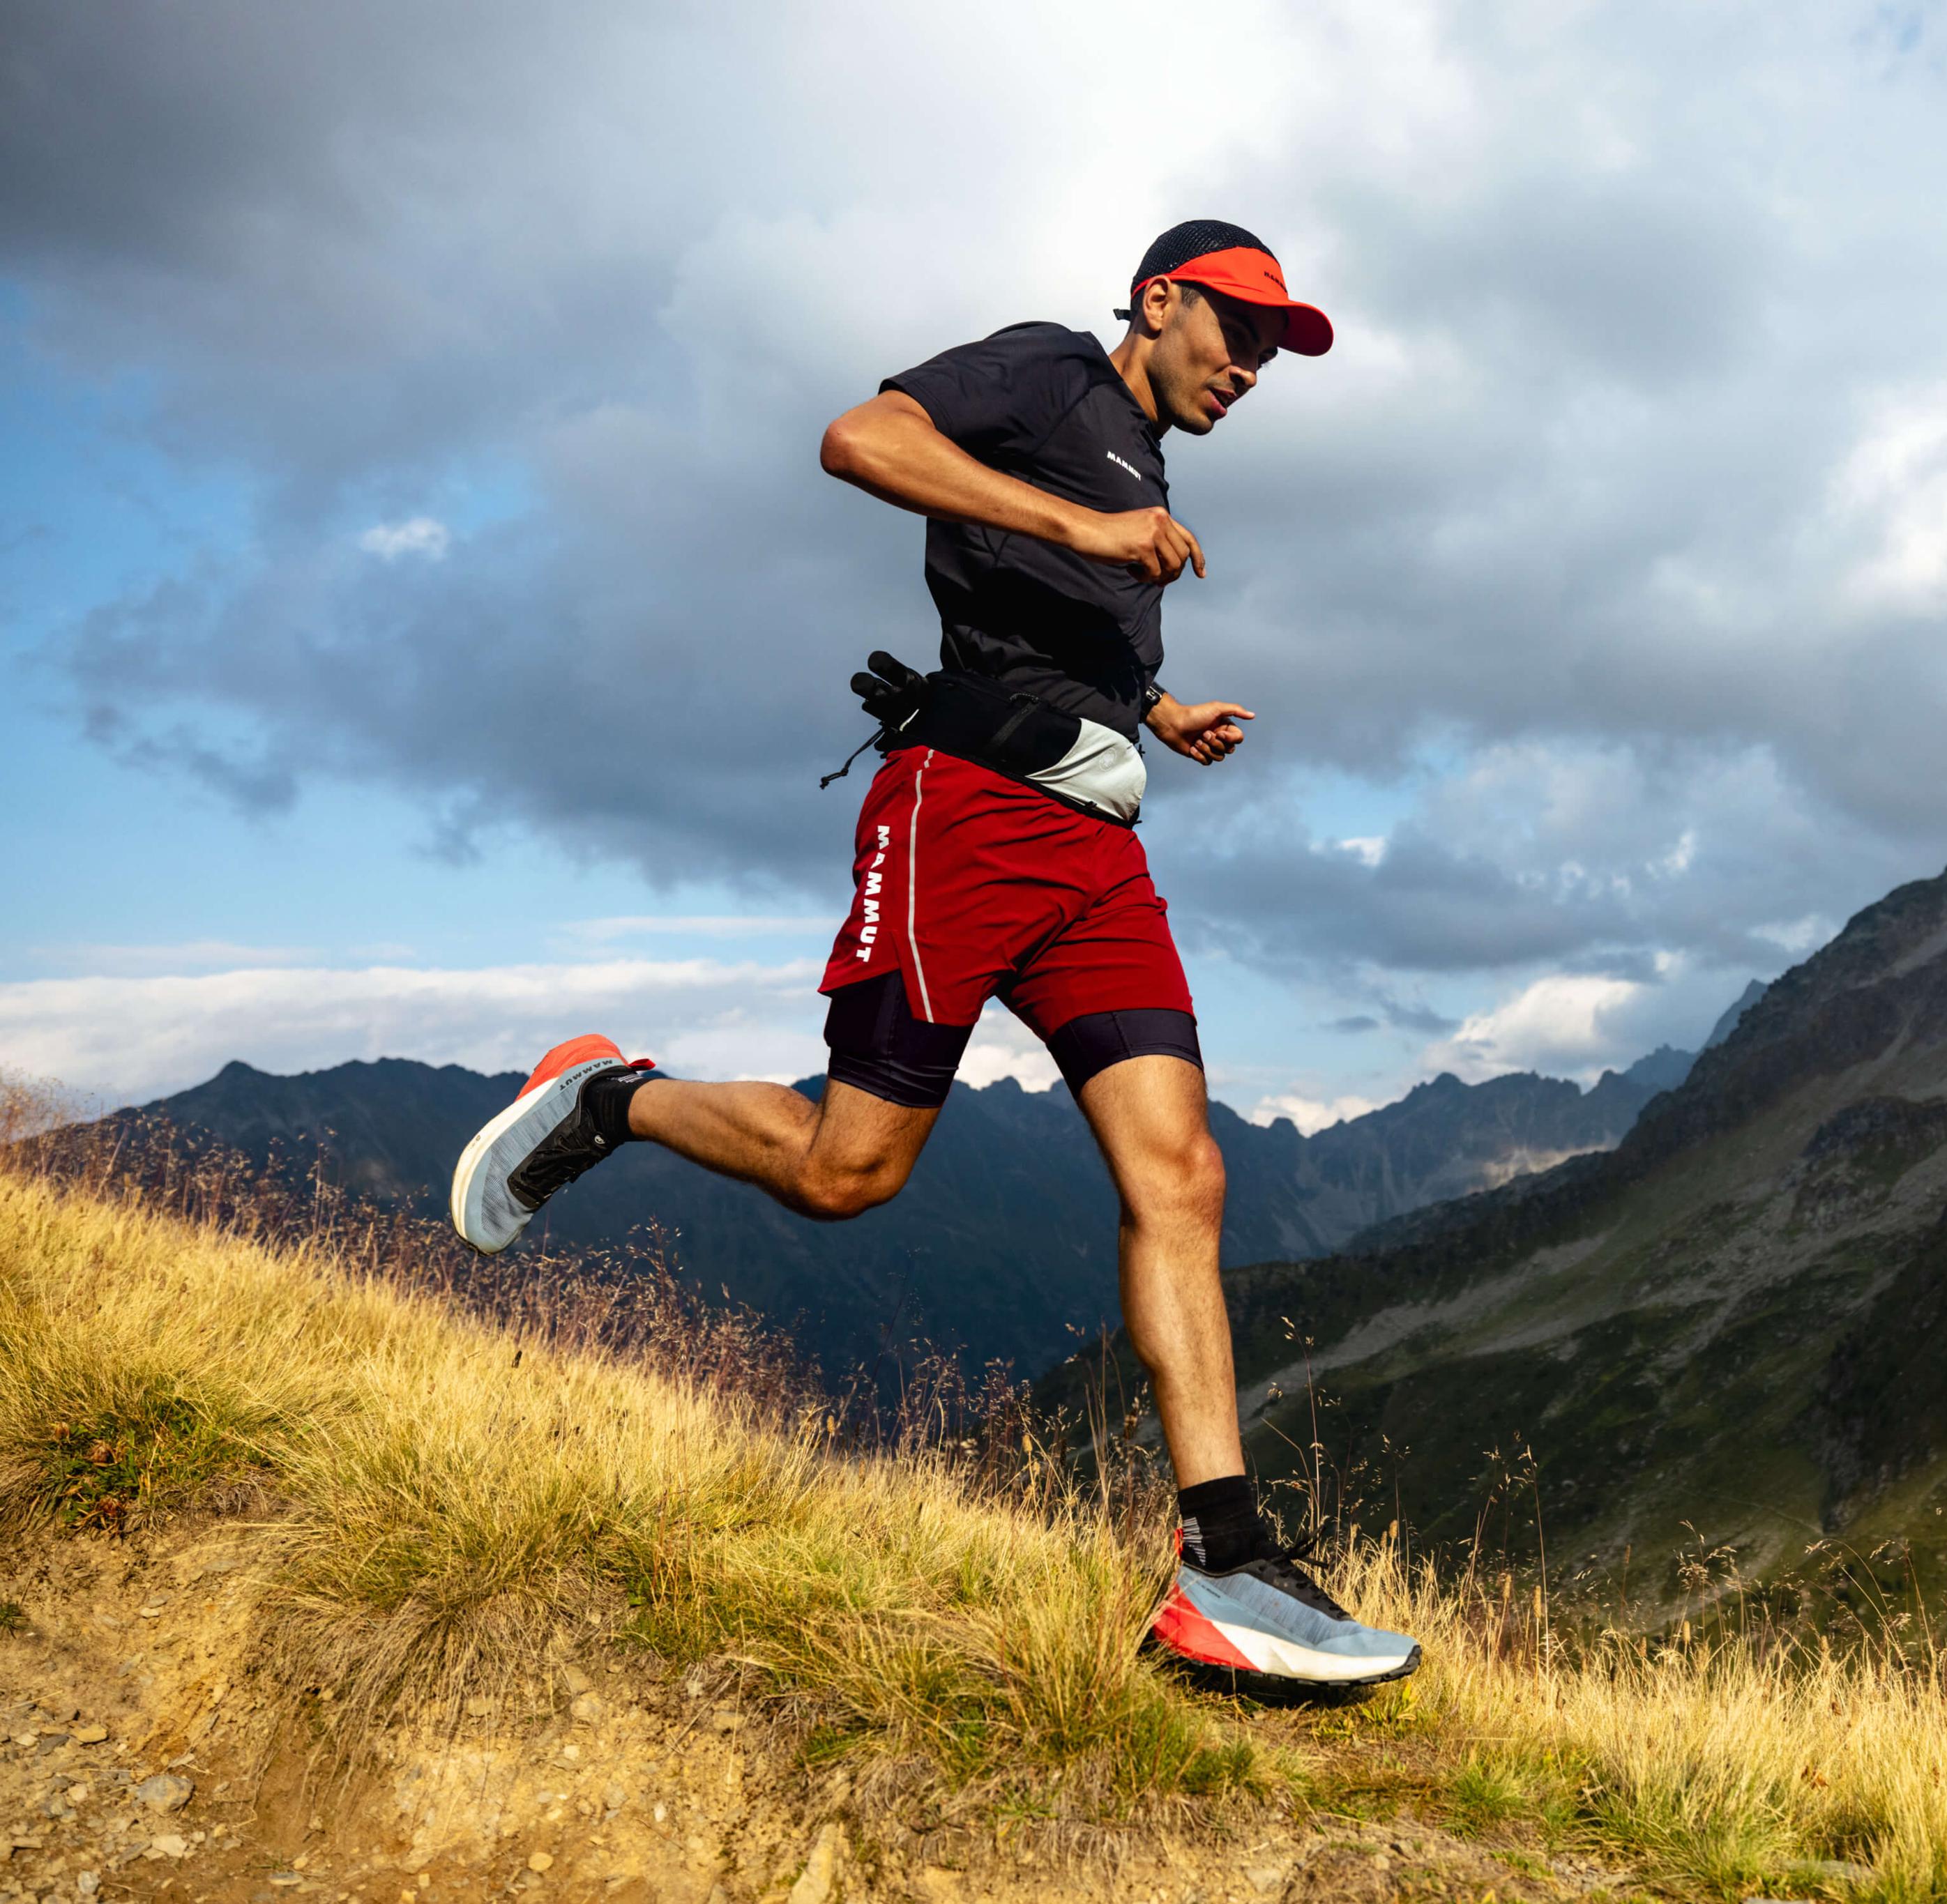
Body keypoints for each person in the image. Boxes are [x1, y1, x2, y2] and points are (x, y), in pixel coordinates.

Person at [447, 221, 1417, 1689]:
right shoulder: (1041, 376)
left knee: (1184, 1172)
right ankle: (607, 1097)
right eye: (1239, 327)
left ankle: (1222, 1566)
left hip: (1095, 851)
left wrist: (1158, 715)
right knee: (848, 1172)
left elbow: (1046, 632)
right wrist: (1084, 529)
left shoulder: (1145, 465)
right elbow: (855, 438)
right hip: (964, 815)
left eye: (1276, 349)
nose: (1253, 364)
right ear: (1160, 301)